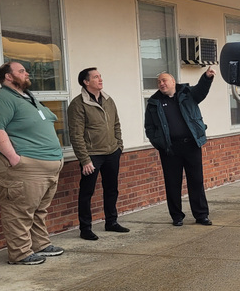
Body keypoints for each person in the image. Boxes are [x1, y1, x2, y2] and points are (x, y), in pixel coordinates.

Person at [0, 61, 65, 265]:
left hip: (47, 166)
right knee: (19, 210)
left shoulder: (28, 98)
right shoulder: (0, 99)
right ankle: (20, 253)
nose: (27, 73)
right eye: (21, 71)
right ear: (8, 77)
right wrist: (14, 158)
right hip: (23, 167)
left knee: (38, 209)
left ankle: (40, 244)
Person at [144, 67, 215, 226]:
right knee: (172, 183)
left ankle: (201, 215)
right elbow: (149, 127)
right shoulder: (154, 103)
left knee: (196, 181)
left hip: (191, 145)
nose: (161, 84)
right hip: (170, 149)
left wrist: (207, 77)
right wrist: (160, 143)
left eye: (164, 80)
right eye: (159, 82)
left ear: (173, 81)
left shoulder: (188, 93)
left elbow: (201, 90)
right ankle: (177, 217)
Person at [67, 67, 128, 241]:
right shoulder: (78, 105)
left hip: (112, 152)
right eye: (95, 77)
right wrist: (84, 159)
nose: (100, 79)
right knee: (87, 192)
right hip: (92, 156)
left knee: (111, 189)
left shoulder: (108, 100)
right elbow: (76, 134)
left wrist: (119, 146)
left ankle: (111, 222)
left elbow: (116, 124)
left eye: (100, 76)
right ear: (86, 82)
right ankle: (85, 228)